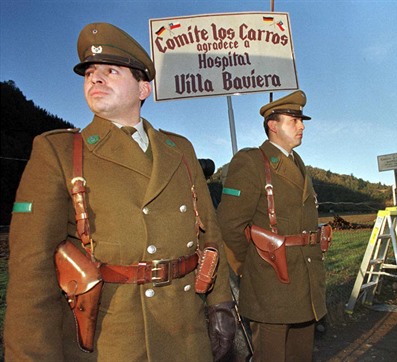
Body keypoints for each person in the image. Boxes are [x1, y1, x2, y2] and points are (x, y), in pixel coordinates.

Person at [4, 22, 236, 361]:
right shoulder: (60, 152)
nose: (95, 78)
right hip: (113, 341)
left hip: (187, 334)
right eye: (90, 73)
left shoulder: (179, 149)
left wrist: (221, 305)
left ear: (143, 89)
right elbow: (31, 274)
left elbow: (209, 234)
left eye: (111, 71)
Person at [217, 90, 329, 362]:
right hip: (271, 282)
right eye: (294, 120)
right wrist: (252, 267)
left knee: (301, 356)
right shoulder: (252, 161)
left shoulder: (297, 163)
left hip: (305, 282)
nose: (302, 126)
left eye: (301, 121)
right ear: (273, 125)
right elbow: (229, 224)